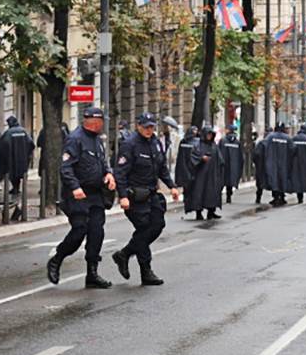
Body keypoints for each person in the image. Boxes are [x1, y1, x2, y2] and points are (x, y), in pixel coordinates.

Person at [47, 107, 115, 289]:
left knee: (96, 233)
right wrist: (75, 187)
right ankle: (57, 259)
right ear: (93, 121)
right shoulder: (75, 139)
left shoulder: (98, 140)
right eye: (101, 121)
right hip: (77, 195)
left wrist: (108, 174)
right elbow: (66, 167)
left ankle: (92, 273)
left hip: (95, 195)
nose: (103, 124)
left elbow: (103, 162)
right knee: (79, 231)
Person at [111, 112, 180, 286]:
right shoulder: (129, 145)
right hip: (135, 196)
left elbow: (162, 167)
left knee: (157, 226)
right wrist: (123, 196)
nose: (149, 130)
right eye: (146, 127)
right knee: (143, 229)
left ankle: (124, 254)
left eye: (152, 127)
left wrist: (172, 186)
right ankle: (146, 271)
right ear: (138, 126)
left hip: (151, 194)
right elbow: (120, 173)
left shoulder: (155, 143)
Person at [0, 115, 35, 219]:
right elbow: (31, 144)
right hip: (22, 159)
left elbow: (2, 145)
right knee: (20, 174)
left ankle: (15, 188)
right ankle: (17, 188)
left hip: (12, 159)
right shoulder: (24, 131)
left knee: (13, 174)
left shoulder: (8, 133)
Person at [187, 124, 225, 220]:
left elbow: (220, 159)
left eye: (211, 134)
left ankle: (211, 211)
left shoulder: (214, 146)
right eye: (208, 134)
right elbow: (192, 158)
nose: (209, 136)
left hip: (212, 174)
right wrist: (201, 158)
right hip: (201, 175)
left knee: (212, 193)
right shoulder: (198, 145)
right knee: (199, 193)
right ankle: (198, 213)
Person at [264, 124, 295, 206]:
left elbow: (264, 146)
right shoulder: (287, 138)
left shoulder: (270, 137)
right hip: (284, 162)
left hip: (272, 161)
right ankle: (282, 196)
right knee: (282, 179)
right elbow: (293, 149)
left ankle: (275, 196)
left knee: (274, 179)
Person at [220, 123, 244, 204]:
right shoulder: (237, 142)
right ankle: (229, 196)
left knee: (221, 180)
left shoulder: (223, 141)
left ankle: (218, 196)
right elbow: (241, 156)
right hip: (234, 166)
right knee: (230, 181)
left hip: (223, 165)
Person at [175, 125, 198, 193]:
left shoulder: (184, 141)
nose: (195, 132)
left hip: (186, 163)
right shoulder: (194, 141)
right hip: (189, 163)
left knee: (187, 181)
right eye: (194, 130)